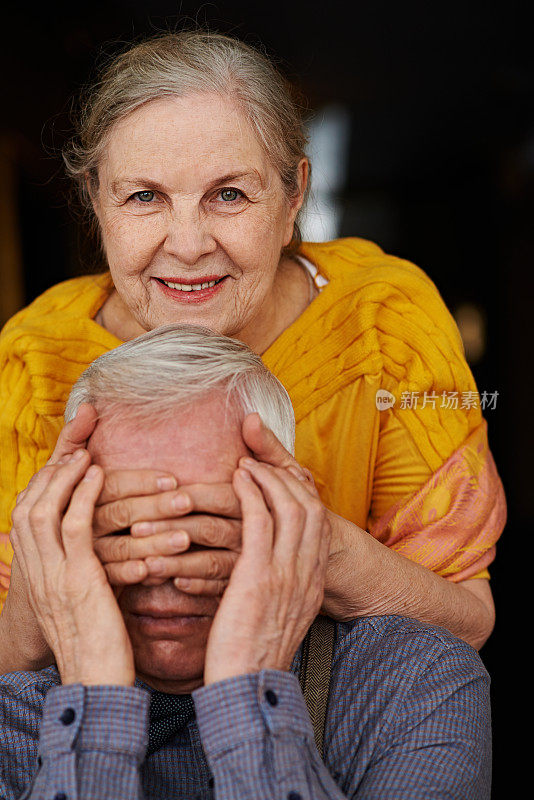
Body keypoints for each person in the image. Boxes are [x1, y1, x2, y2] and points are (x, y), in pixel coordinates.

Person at [0, 31, 506, 672]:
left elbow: (469, 620)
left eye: (230, 194)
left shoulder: (387, 323)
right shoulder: (33, 361)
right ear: (95, 198)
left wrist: (324, 551)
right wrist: (58, 568)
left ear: (295, 195)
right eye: (144, 197)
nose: (186, 245)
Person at [0, 326, 491, 800]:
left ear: (291, 512)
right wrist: (94, 700)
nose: (167, 572)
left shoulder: (414, 685)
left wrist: (249, 691)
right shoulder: (14, 709)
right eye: (126, 528)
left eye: (209, 523)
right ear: (62, 522)